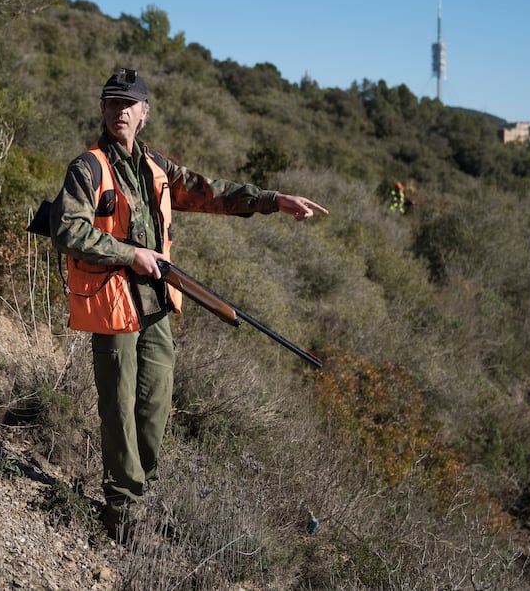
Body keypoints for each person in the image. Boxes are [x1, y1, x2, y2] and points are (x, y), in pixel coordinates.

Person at [48, 68, 327, 542]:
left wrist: (273, 200)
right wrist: (129, 254)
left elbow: (208, 190)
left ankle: (138, 491)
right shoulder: (87, 168)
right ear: (103, 109)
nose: (120, 111)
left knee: (154, 405)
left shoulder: (155, 165)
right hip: (113, 303)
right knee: (118, 407)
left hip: (154, 304)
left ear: (144, 112)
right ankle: (121, 510)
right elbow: (67, 230)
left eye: (128, 104)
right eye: (112, 102)